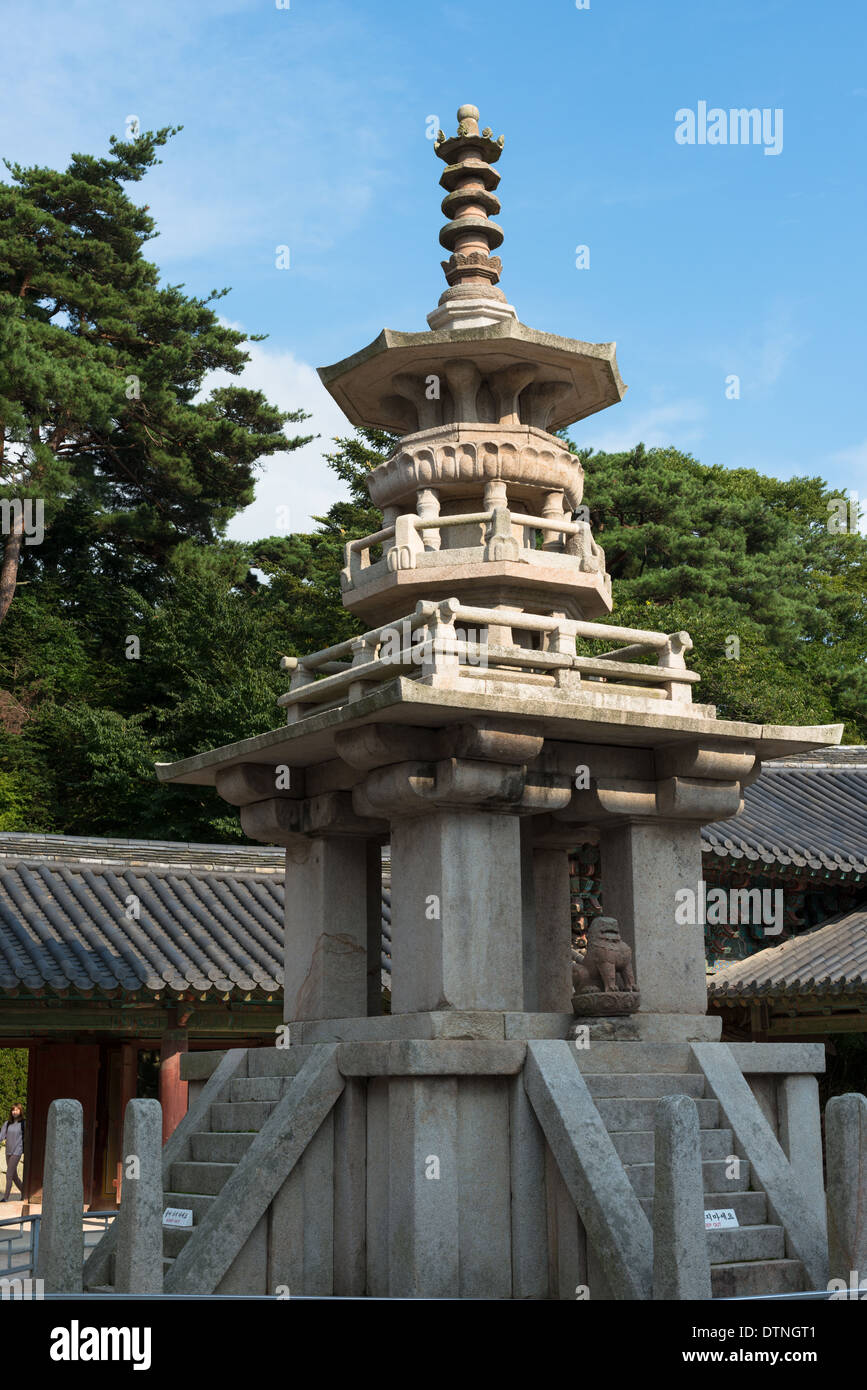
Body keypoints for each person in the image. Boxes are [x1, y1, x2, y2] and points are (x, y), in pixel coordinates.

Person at [0, 1104, 25, 1201]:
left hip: (17, 1151)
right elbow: (1, 1136)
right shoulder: (7, 1123)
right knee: (14, 1176)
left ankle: (6, 1197)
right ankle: (25, 1193)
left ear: (20, 1111)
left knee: (9, 1174)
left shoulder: (24, 1123)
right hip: (8, 1151)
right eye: (13, 1110)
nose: (15, 1112)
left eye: (17, 1110)